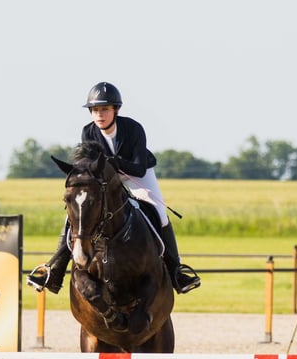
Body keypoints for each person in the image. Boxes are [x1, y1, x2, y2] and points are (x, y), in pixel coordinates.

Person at [28, 82, 201, 295]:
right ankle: (55, 270)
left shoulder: (133, 128)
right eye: (95, 110)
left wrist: (113, 161)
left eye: (105, 109)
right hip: (106, 178)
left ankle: (176, 270)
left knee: (158, 211)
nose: (99, 114)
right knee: (76, 214)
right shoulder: (88, 131)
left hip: (136, 173)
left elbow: (137, 168)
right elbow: (90, 167)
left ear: (115, 110)